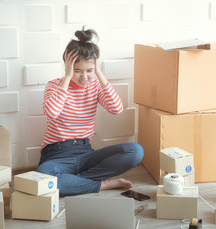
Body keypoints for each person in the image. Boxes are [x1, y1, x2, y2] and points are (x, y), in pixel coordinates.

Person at [36, 26, 144, 196]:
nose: (84, 77)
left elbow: (117, 109)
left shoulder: (95, 86)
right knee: (44, 176)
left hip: (85, 152)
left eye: (89, 71)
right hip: (57, 155)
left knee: (135, 151)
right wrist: (67, 77)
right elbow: (52, 112)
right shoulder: (55, 85)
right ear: (68, 67)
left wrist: (99, 73)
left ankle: (75, 182)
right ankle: (102, 184)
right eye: (77, 71)